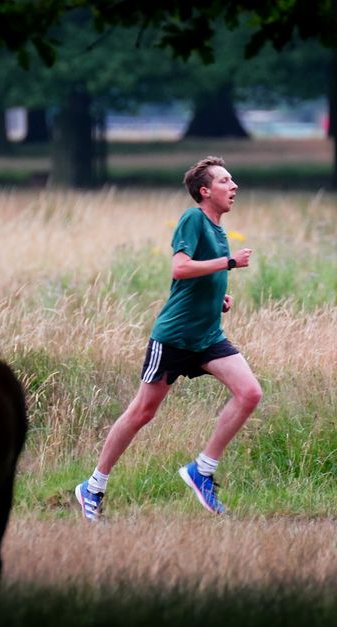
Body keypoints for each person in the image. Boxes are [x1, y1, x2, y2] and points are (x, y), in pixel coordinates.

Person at [75, 156, 262, 520]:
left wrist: (217, 297)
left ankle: (201, 471)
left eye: (232, 179)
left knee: (250, 393)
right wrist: (228, 264)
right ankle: (93, 486)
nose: (234, 185)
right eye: (225, 181)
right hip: (174, 338)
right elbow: (179, 267)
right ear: (205, 191)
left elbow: (193, 278)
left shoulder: (218, 228)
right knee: (142, 412)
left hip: (207, 336)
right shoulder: (193, 219)